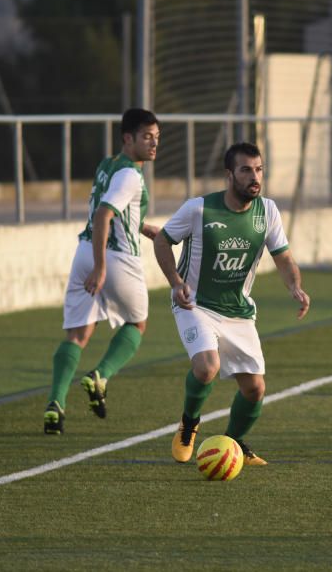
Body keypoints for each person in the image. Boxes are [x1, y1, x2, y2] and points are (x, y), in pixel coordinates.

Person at [153, 142, 310, 466]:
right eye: (246, 170)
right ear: (229, 175)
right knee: (207, 367)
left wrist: (295, 286)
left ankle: (235, 443)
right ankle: (189, 424)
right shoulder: (199, 209)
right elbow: (162, 240)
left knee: (255, 389)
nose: (255, 177)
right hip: (195, 304)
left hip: (238, 310)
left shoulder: (267, 211)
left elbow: (283, 257)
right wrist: (176, 282)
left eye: (259, 170)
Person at [43, 108, 161, 435]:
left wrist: (142, 226)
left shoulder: (108, 165)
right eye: (146, 137)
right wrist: (101, 267)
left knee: (78, 335)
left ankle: (55, 404)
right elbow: (104, 216)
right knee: (137, 323)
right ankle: (101, 375)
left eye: (156, 137)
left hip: (84, 251)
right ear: (128, 138)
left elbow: (106, 213)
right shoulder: (130, 175)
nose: (154, 144)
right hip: (116, 258)